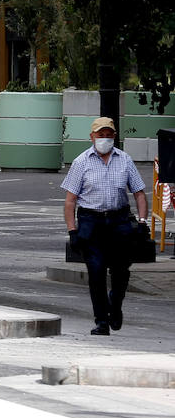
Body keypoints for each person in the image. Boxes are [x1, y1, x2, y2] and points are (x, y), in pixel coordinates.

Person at [63, 116, 149, 335]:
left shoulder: (125, 160)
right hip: (91, 222)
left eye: (108, 134)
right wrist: (72, 230)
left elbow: (139, 193)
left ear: (114, 136)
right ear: (92, 137)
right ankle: (101, 320)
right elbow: (70, 200)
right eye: (100, 135)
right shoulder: (81, 162)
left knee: (121, 270)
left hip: (119, 221)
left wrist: (142, 222)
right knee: (97, 271)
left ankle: (116, 302)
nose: (104, 138)